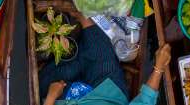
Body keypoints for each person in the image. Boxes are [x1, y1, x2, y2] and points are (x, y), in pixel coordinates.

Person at [40, 11, 171, 105]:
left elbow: (51, 94)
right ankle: (82, 27)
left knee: (50, 78)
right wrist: (159, 67)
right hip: (107, 92)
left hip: (66, 99)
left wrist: (51, 97)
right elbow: (145, 100)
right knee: (90, 29)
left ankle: (76, 56)